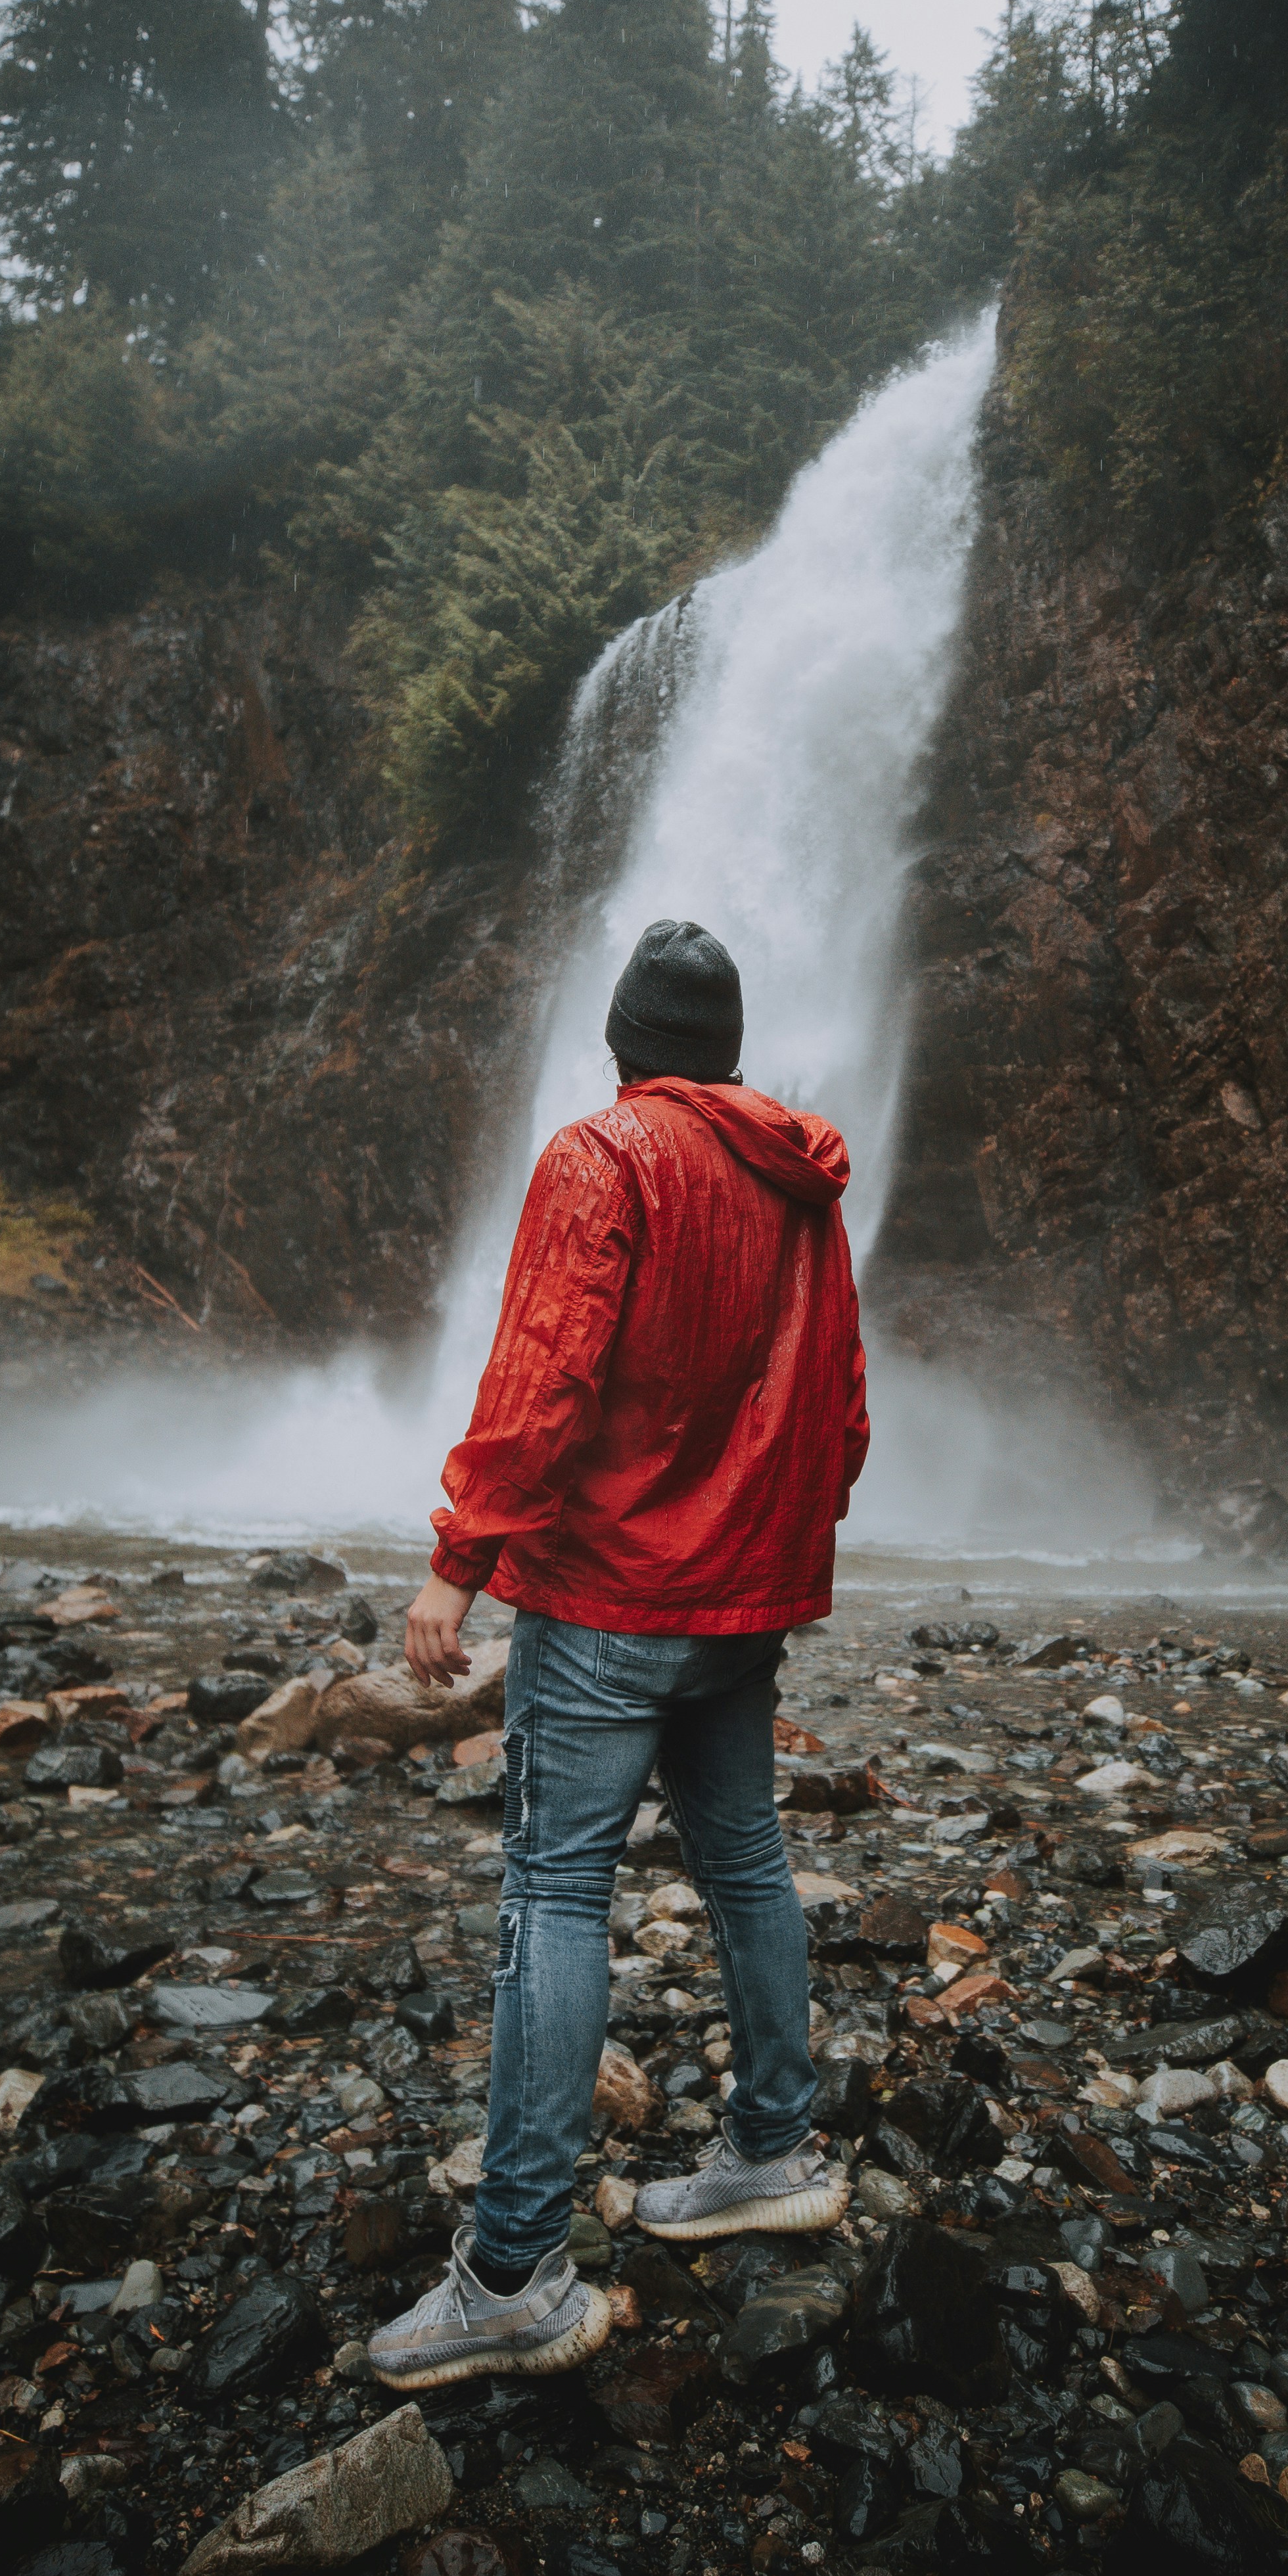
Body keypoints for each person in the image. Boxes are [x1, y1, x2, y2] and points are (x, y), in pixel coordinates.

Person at [367, 918, 869, 2393]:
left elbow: (545, 1371)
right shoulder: (800, 1185)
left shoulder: (601, 1156)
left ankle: (516, 2271)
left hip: (607, 1602)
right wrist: (777, 1545)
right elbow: (838, 1405)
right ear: (722, 1047)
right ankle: (774, 2145)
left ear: (621, 1040)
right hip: (740, 1599)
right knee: (751, 1862)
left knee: (555, 1890)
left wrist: (460, 1560)